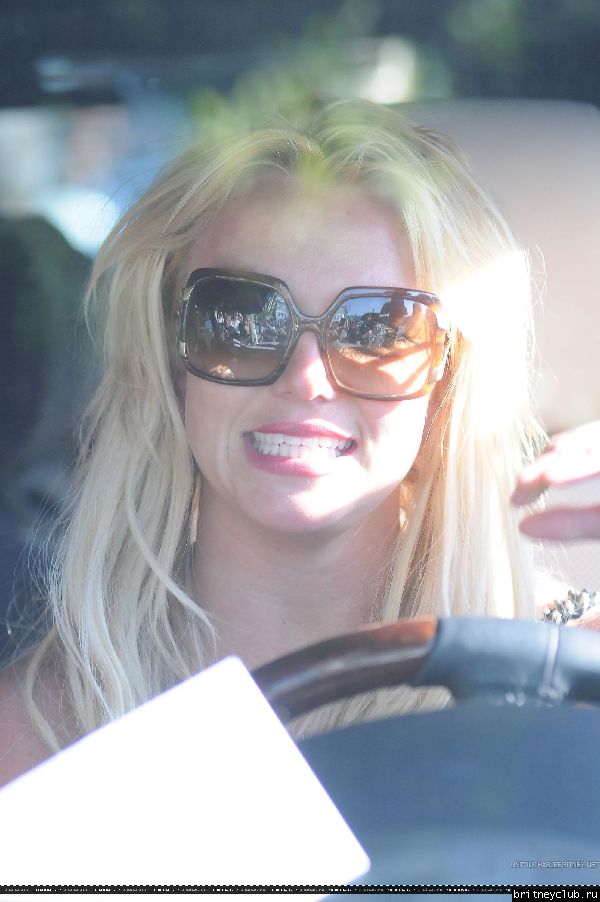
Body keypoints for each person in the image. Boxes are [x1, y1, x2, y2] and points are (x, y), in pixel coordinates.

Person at [1, 100, 599, 787]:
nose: (306, 379)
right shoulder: (39, 738)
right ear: (169, 352)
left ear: (449, 372)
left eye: (380, 329)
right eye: (242, 318)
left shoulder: (574, 679)